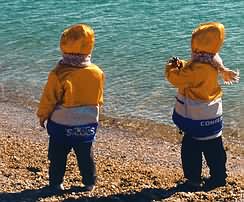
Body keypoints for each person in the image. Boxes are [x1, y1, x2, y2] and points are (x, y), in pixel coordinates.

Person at [165, 22, 239, 191]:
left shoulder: (198, 68)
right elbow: (193, 72)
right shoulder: (213, 62)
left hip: (196, 118)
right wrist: (183, 65)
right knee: (215, 150)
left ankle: (193, 180)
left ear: (197, 45)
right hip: (212, 115)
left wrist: (170, 68)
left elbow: (177, 79)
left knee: (191, 149)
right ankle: (219, 178)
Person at [37, 23, 105, 192]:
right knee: (85, 153)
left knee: (58, 155)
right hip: (87, 123)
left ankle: (56, 183)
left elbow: (49, 98)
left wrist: (42, 115)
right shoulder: (97, 72)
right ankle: (89, 182)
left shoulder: (59, 73)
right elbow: (99, 98)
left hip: (62, 124)